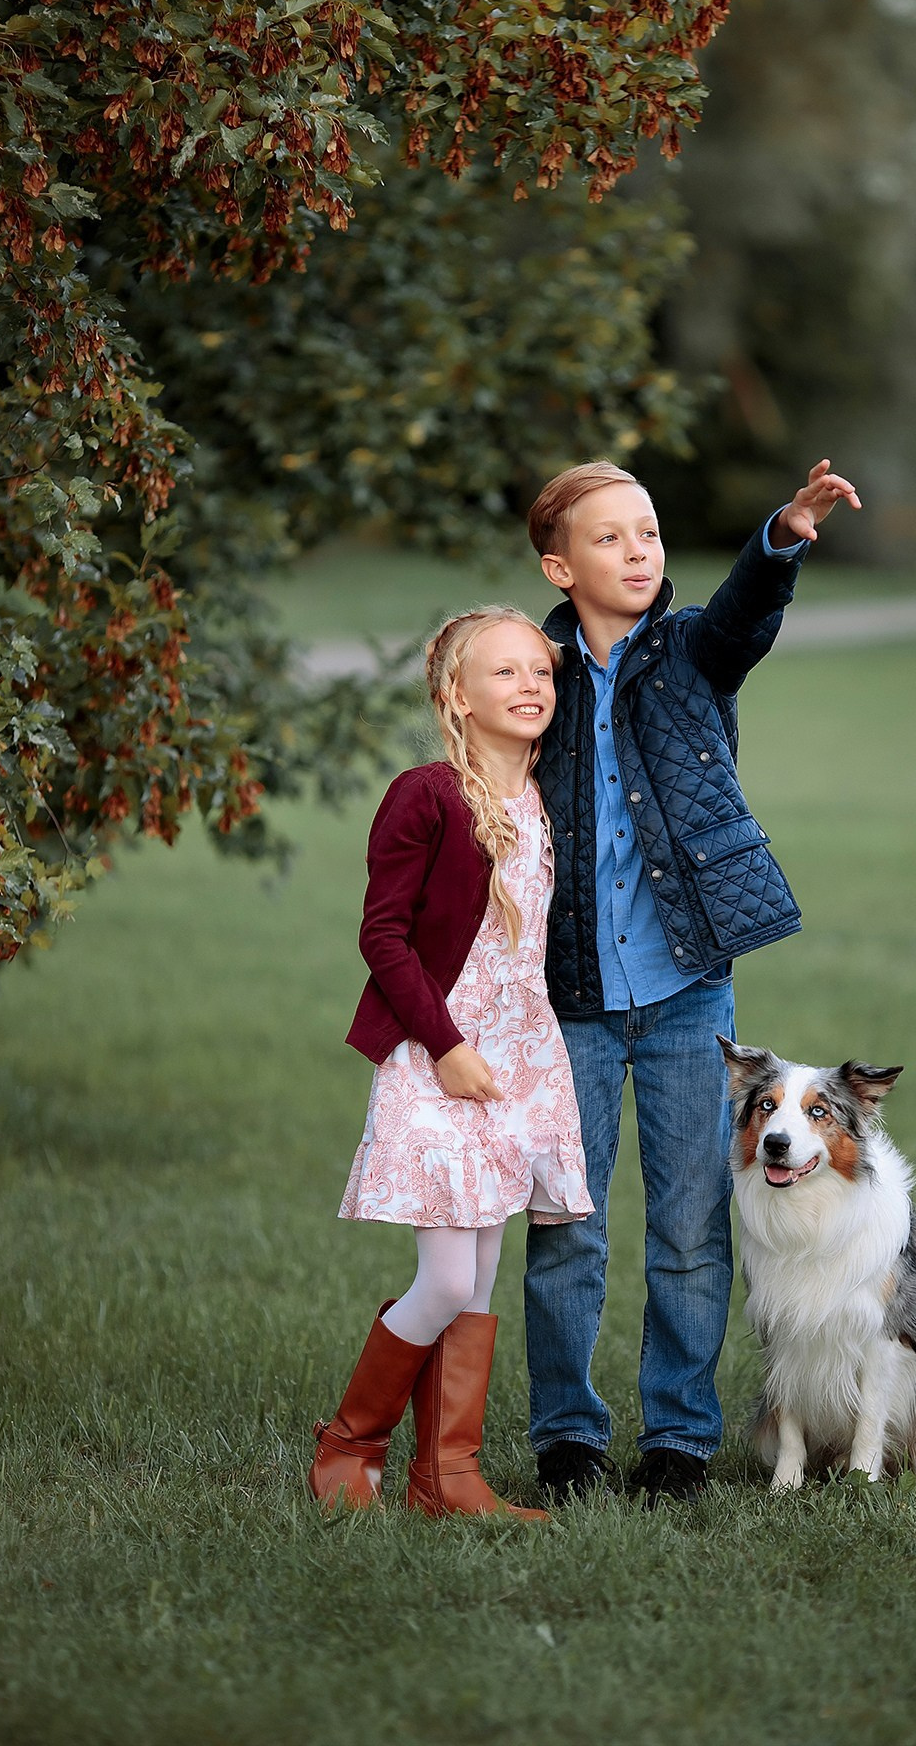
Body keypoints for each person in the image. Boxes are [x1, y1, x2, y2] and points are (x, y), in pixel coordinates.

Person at [523, 456, 861, 1506]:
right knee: (564, 1232)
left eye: (649, 533)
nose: (637, 552)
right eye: (610, 537)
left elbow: (742, 619)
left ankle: (676, 1440)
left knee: (685, 1231)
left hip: (683, 997)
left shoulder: (686, 654)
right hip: (568, 998)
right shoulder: (531, 674)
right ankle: (567, 1438)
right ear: (557, 564)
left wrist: (784, 536)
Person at [310, 607, 593, 1518]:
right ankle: (350, 1444)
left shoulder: (547, 798)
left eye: (540, 673)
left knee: (478, 1279)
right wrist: (447, 1047)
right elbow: (382, 936)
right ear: (457, 696)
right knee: (443, 1278)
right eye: (504, 674)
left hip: (517, 1062)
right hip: (440, 1054)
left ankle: (450, 1476)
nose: (529, 687)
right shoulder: (428, 794)